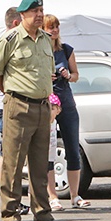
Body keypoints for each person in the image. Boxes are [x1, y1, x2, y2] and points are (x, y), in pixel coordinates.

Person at [0, 0, 68, 221]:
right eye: (34, 11)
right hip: (19, 106)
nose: (39, 15)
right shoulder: (10, 39)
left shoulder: (45, 39)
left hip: (42, 106)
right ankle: (10, 215)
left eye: (41, 10)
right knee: (13, 164)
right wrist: (13, 95)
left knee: (40, 163)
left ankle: (42, 214)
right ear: (22, 15)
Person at [43, 13, 89, 209]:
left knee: (72, 147)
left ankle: (75, 195)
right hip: (47, 103)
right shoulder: (40, 51)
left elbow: (76, 75)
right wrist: (47, 78)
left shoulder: (66, 50)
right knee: (49, 150)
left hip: (66, 101)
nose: (54, 31)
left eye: (56, 27)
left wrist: (68, 75)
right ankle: (52, 196)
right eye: (50, 27)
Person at [0, 7, 30, 215]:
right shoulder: (7, 42)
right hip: (8, 106)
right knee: (9, 156)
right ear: (17, 23)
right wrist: (11, 95)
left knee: (13, 156)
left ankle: (14, 199)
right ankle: (9, 200)